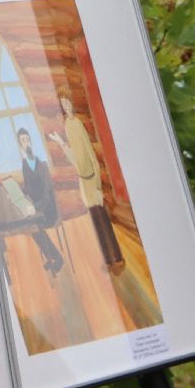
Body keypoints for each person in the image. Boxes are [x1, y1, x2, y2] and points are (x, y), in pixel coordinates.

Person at [48, 95, 125, 275]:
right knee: (96, 221)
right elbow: (75, 158)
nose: (66, 106)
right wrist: (61, 143)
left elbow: (89, 152)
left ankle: (118, 258)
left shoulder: (78, 124)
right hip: (83, 180)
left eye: (67, 102)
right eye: (63, 104)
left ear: (71, 104)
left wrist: (96, 180)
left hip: (91, 178)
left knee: (104, 219)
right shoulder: (67, 126)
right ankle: (107, 260)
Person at [16, 128, 64, 275]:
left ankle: (56, 258)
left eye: (27, 139)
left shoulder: (41, 164)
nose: (26, 142)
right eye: (23, 141)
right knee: (31, 225)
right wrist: (20, 195)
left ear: (31, 142)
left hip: (49, 209)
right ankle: (53, 257)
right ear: (21, 146)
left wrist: (38, 208)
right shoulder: (24, 165)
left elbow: (47, 192)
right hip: (38, 208)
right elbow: (29, 189)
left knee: (34, 225)